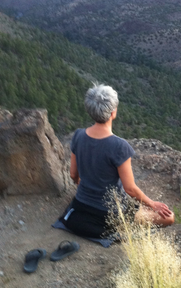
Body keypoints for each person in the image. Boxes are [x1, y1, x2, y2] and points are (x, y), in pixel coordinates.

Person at [62, 83, 174, 239]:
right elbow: (130, 189)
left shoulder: (78, 136)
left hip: (81, 205)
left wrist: (85, 185)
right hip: (111, 214)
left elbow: (73, 174)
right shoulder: (119, 146)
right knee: (170, 217)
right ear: (113, 112)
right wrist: (152, 203)